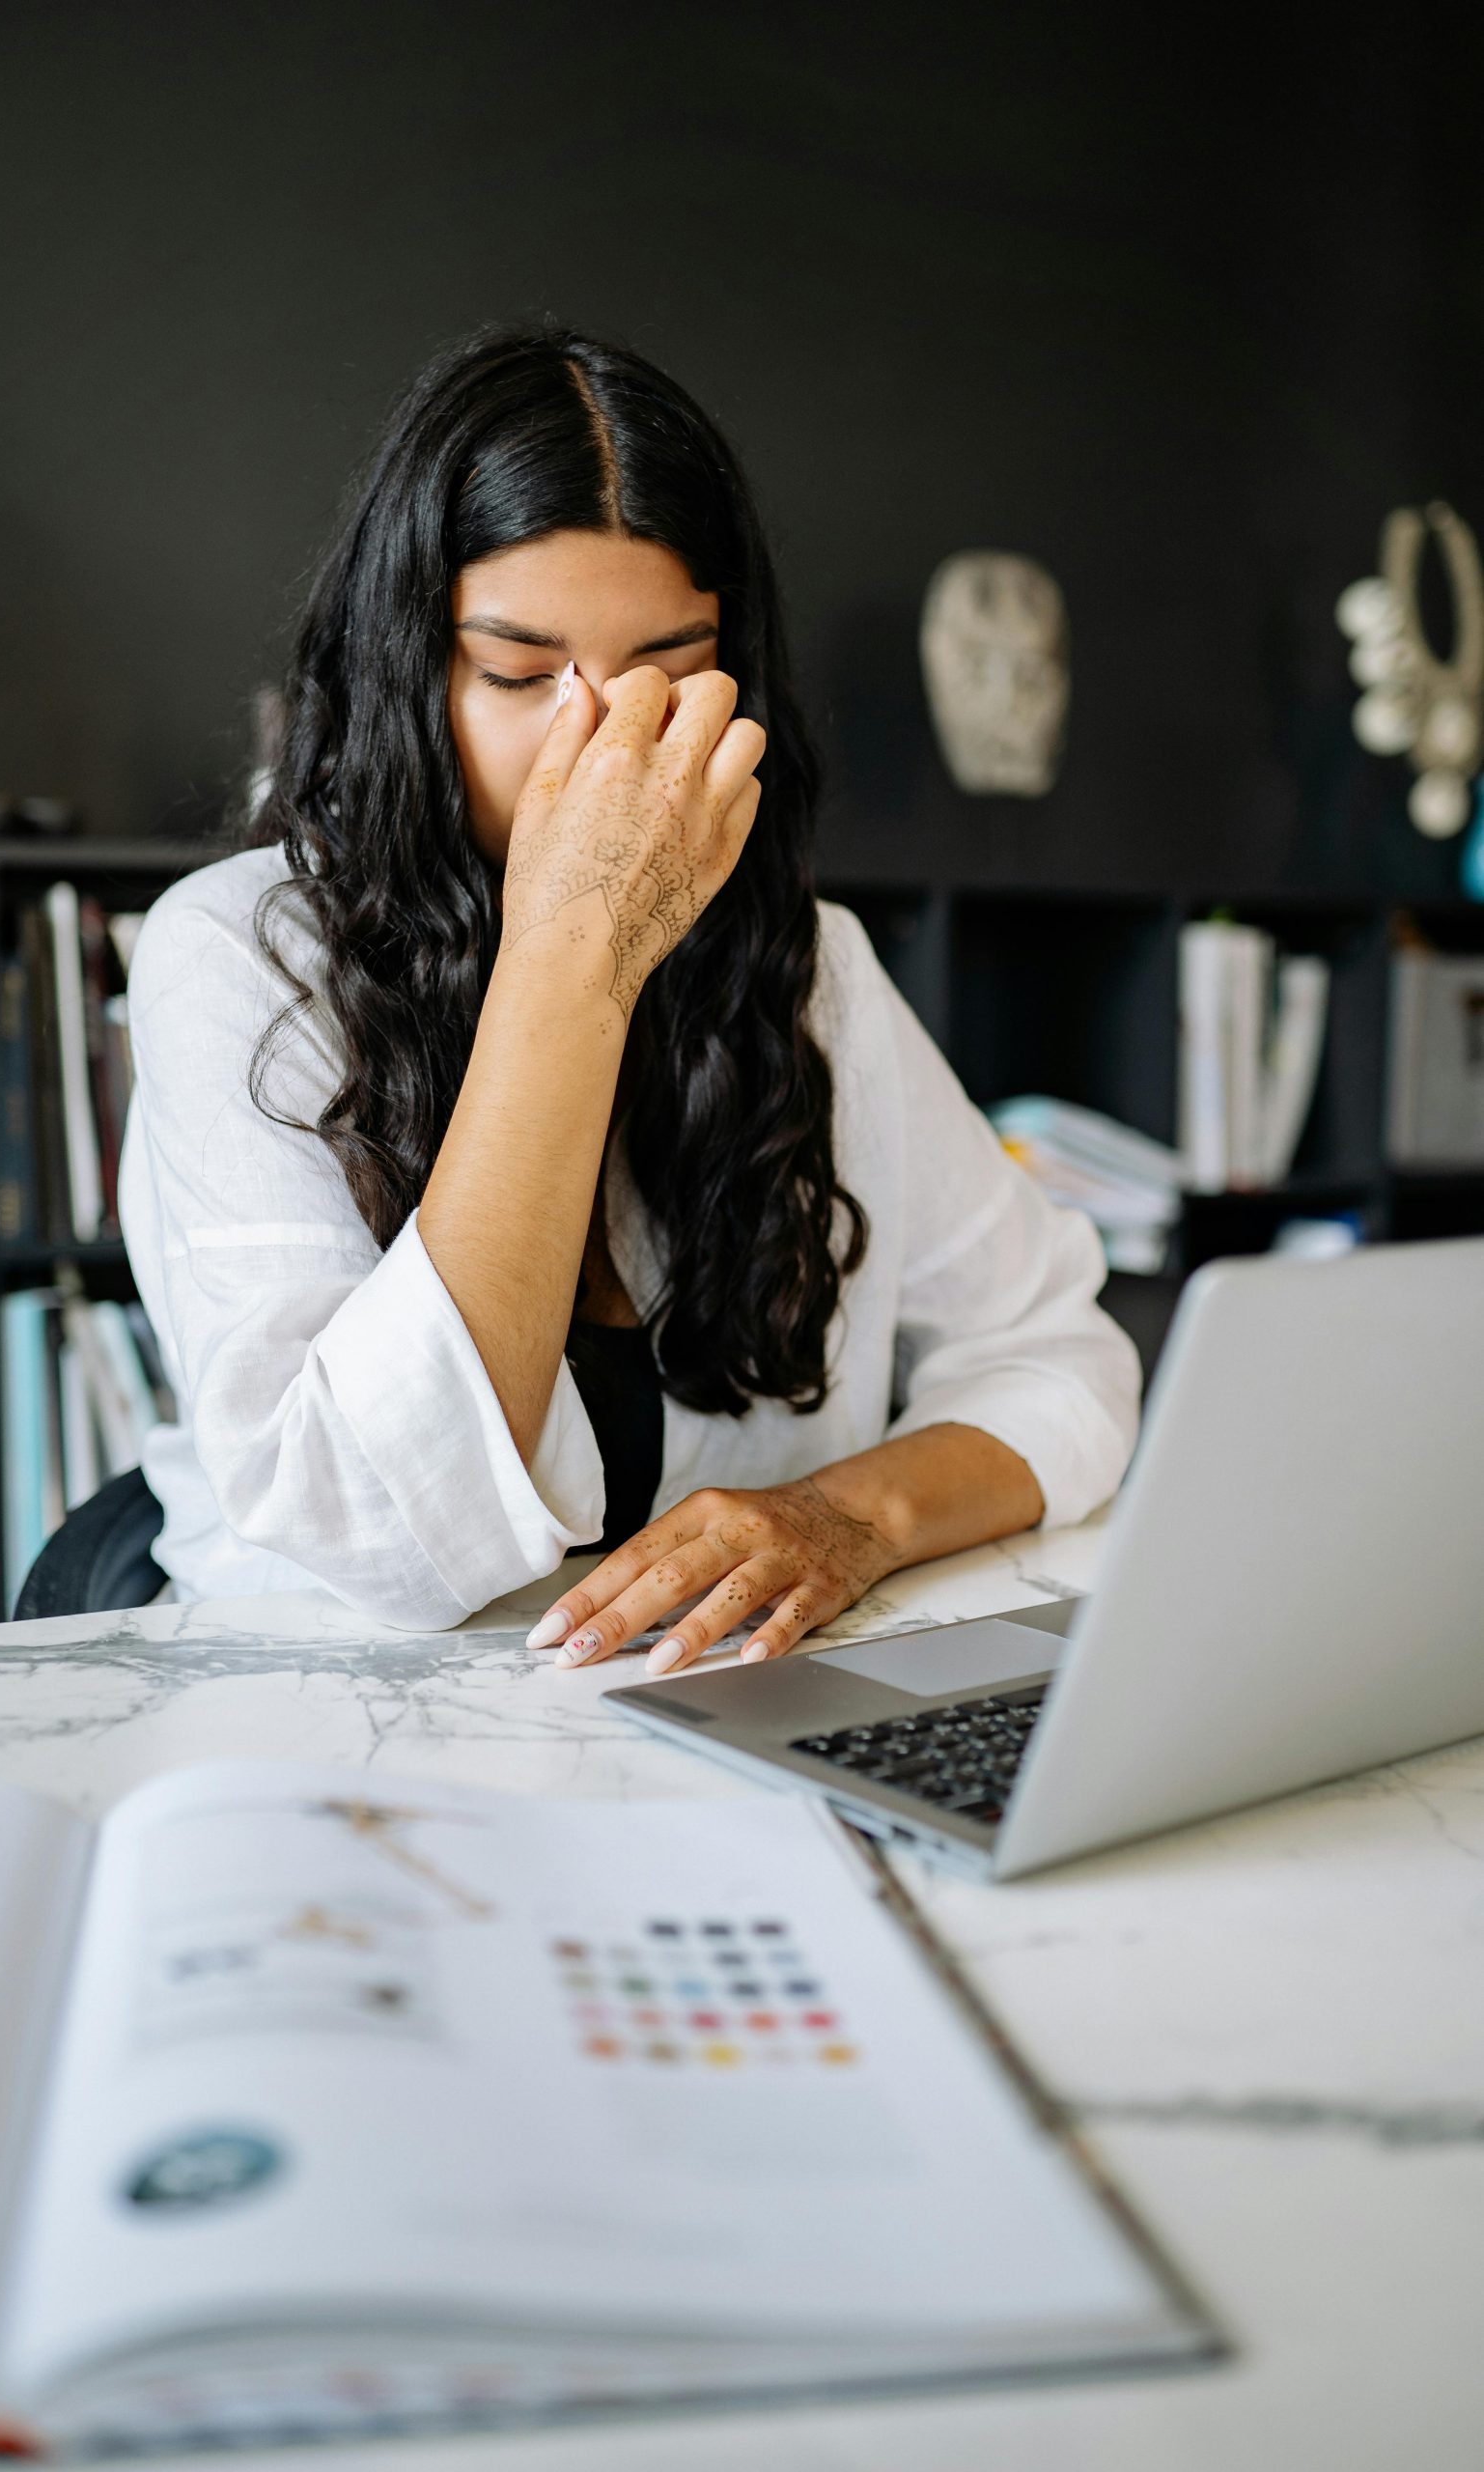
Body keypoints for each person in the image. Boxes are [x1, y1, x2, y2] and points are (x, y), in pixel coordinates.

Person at [122, 326, 1139, 1674]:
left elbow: (1063, 1360)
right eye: (521, 675)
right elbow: (381, 1537)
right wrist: (575, 949)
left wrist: (845, 1515)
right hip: (335, 1719)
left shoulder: (809, 966)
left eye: (668, 668)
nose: (600, 738)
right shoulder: (241, 956)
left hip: (701, 1711)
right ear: (407, 675)